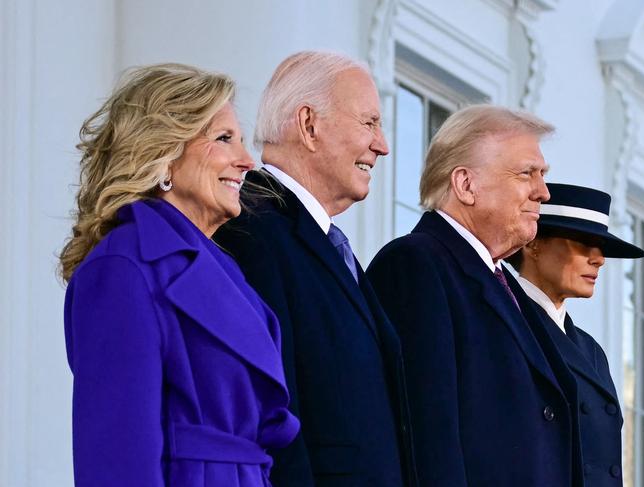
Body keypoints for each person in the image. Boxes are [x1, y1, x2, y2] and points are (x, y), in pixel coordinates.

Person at [59, 63, 299, 487]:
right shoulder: (123, 267)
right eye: (224, 138)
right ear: (164, 156)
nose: (247, 162)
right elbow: (115, 460)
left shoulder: (224, 271)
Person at [213, 51, 417, 487]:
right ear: (309, 125)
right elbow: (271, 413)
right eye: (369, 123)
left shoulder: (323, 242)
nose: (382, 145)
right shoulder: (251, 230)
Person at [367, 105, 584, 486]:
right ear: (466, 185)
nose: (543, 192)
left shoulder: (504, 281)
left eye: (542, 175)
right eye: (526, 174)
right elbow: (428, 436)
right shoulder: (416, 265)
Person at [506, 182, 644, 486]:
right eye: (583, 242)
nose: (599, 259)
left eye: (602, 247)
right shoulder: (504, 325)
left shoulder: (591, 351)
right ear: (533, 243)